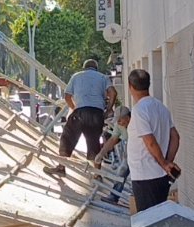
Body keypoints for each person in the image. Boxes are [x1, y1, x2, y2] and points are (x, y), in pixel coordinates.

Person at [45, 59, 115, 176]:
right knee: (94, 143)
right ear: (96, 69)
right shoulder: (103, 77)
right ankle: (97, 174)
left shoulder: (76, 76)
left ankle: (61, 167)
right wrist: (108, 109)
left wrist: (74, 108)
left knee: (67, 138)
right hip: (97, 113)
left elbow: (67, 96)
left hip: (80, 112)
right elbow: (113, 93)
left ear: (84, 68)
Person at [125, 69, 181, 212]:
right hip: (160, 176)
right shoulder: (161, 107)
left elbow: (150, 141)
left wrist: (164, 163)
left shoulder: (139, 110)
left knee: (149, 221)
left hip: (145, 175)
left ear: (130, 86)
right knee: (159, 216)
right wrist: (168, 162)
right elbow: (175, 137)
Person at [92, 106, 132, 205]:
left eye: (120, 120)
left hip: (140, 150)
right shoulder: (119, 125)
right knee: (122, 170)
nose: (118, 122)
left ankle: (138, 200)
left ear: (128, 118)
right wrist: (101, 153)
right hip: (128, 149)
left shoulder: (136, 124)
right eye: (117, 120)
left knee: (138, 176)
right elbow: (113, 139)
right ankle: (114, 196)